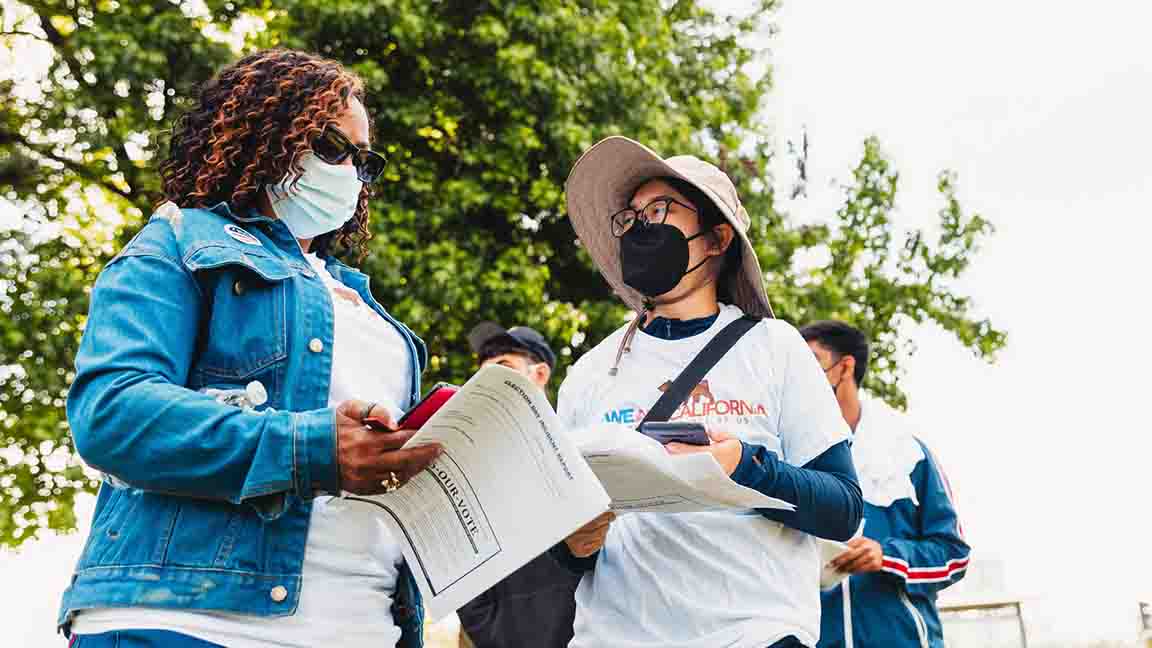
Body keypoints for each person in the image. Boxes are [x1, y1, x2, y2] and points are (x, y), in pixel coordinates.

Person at [59, 49, 443, 647]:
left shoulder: (368, 306)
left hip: (361, 627)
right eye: (331, 146)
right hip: (191, 623)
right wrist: (314, 447)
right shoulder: (181, 240)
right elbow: (112, 412)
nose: (349, 172)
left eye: (364, 162)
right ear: (267, 134)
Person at [554, 136, 865, 648]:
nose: (641, 227)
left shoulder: (775, 348)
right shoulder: (590, 373)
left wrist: (744, 466)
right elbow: (563, 546)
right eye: (631, 217)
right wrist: (574, 543)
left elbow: (843, 507)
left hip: (755, 634)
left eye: (660, 210)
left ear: (718, 239)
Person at [800, 320, 970, 648]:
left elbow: (955, 555)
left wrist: (887, 557)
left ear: (844, 367)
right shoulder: (788, 458)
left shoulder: (909, 455)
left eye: (811, 364)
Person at [455, 323, 583, 648]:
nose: (488, 383)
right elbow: (460, 571)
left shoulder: (583, 452)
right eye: (481, 375)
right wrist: (491, 634)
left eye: (504, 368)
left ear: (539, 375)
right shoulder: (470, 469)